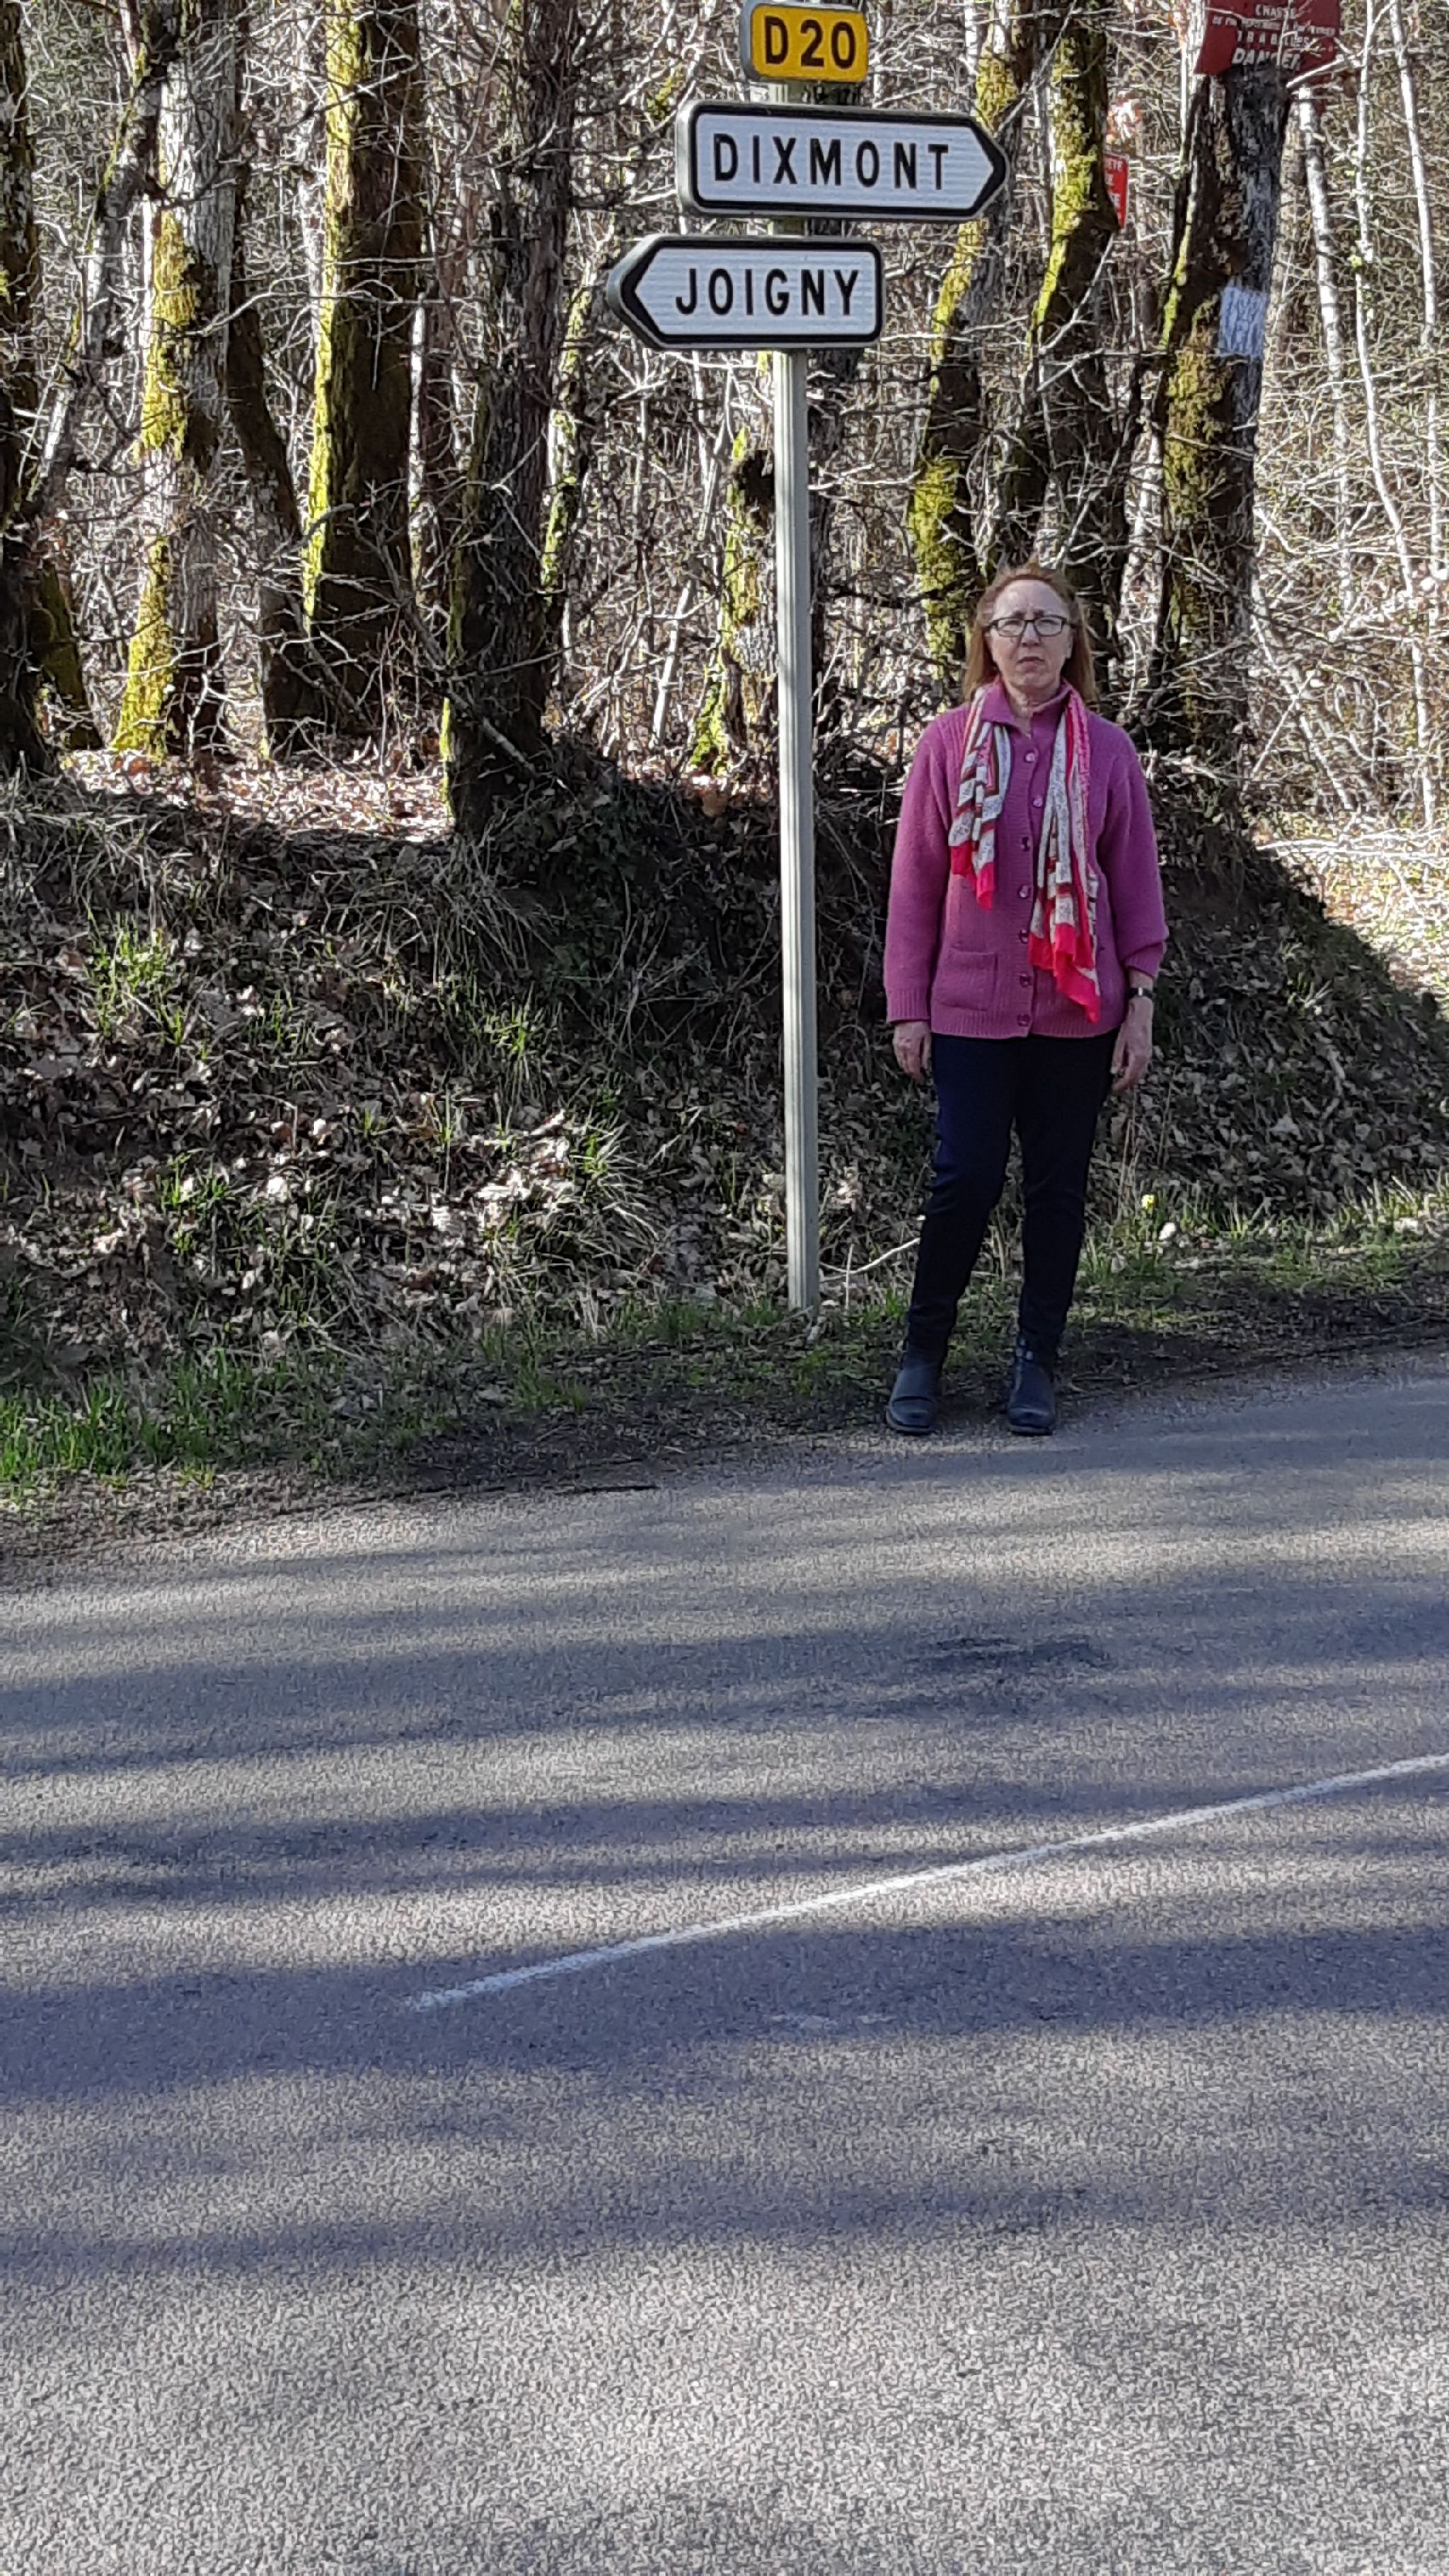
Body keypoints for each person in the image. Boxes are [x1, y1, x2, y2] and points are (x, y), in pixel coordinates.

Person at [882, 561, 1167, 1437]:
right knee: (964, 1178)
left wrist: (1140, 1000)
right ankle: (921, 1354)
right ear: (986, 639)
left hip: (1077, 1011)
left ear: (1073, 640)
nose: (1029, 638)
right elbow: (915, 884)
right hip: (968, 1005)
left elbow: (1135, 886)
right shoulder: (946, 745)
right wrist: (907, 1006)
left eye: (1047, 622)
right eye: (1012, 623)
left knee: (1055, 1190)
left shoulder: (1108, 752)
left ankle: (1035, 1360)